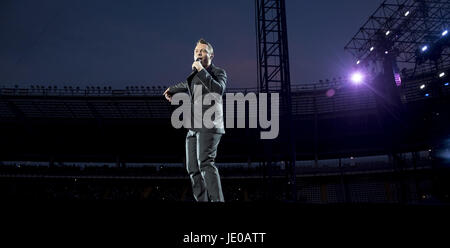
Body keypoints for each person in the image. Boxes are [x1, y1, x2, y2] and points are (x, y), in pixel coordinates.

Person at [163, 38, 227, 202]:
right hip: (193, 126)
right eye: (196, 50)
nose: (198, 53)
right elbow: (187, 83)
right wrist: (172, 90)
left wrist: (201, 70)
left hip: (209, 124)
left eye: (203, 50)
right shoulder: (195, 75)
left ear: (211, 55)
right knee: (192, 169)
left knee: (205, 163)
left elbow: (218, 90)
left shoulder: (218, 72)